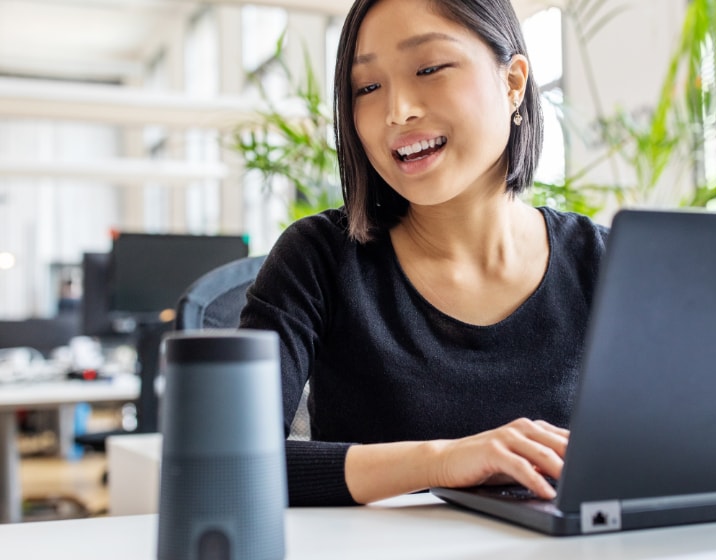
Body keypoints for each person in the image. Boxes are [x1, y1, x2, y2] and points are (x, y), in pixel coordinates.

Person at [240, 0, 609, 506]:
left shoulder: (605, 264)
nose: (397, 111)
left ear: (513, 83)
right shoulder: (318, 260)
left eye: (430, 68)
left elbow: (687, 445)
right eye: (367, 88)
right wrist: (440, 462)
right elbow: (231, 461)